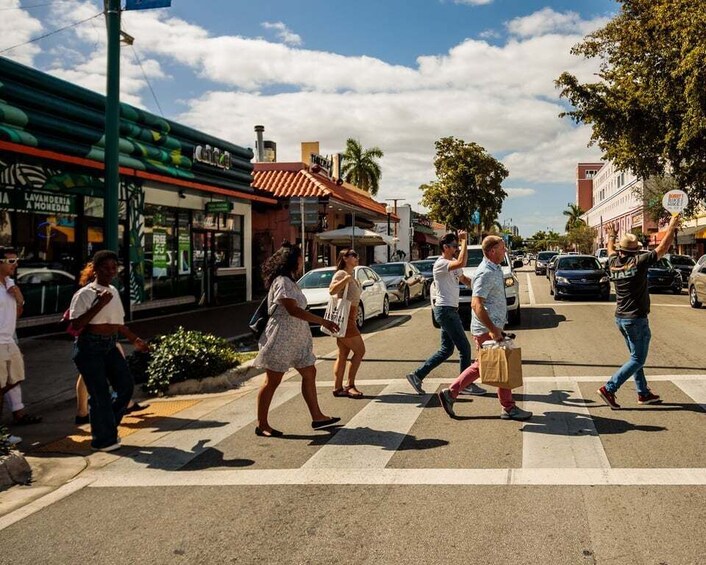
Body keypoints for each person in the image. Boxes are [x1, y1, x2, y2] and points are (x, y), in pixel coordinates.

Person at [438, 235, 532, 421]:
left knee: (482, 366)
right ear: (492, 251)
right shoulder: (486, 272)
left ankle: (451, 393)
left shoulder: (495, 268)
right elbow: (476, 304)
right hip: (486, 329)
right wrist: (493, 329)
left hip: (492, 327)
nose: (505, 251)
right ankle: (508, 408)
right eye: (502, 248)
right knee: (498, 365)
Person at [254, 242, 341, 437]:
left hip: (297, 340)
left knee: (309, 372)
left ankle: (317, 417)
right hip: (281, 338)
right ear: (292, 260)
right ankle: (262, 424)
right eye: (301, 258)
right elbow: (293, 310)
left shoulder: (291, 281)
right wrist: (322, 321)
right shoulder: (282, 281)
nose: (303, 261)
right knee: (272, 381)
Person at [68, 250, 149, 452]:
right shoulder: (85, 294)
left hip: (110, 345)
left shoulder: (113, 290)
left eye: (114, 267)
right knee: (99, 395)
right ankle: (103, 440)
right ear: (95, 270)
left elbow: (118, 323)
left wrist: (135, 339)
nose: (111, 271)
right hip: (89, 347)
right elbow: (76, 324)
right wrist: (99, 304)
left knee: (125, 386)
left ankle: (106, 425)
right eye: (106, 267)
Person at [597, 214, 680, 409]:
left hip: (621, 317)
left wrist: (611, 236)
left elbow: (609, 250)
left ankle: (643, 393)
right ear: (635, 251)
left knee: (635, 357)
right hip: (636, 319)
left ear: (621, 250)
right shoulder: (638, 262)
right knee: (637, 358)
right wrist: (671, 228)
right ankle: (609, 388)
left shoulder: (614, 262)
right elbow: (662, 249)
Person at [406, 231, 485, 396]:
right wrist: (464, 241)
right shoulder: (441, 263)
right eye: (454, 246)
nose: (457, 249)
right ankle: (465, 384)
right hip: (445, 310)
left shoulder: (452, 264)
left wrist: (482, 290)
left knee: (446, 350)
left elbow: (465, 280)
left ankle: (417, 375)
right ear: (445, 247)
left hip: (449, 310)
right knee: (464, 348)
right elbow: (463, 262)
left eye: (457, 246)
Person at [0, 247, 35, 445]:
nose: (16, 265)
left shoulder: (10, 283)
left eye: (16, 261)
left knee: (16, 378)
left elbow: (15, 316)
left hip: (9, 340)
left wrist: (20, 301)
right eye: (11, 261)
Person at [328, 249, 365, 398]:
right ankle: (350, 385)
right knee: (360, 351)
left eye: (357, 255)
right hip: (346, 318)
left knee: (343, 354)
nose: (357, 258)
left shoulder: (351, 275)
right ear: (344, 258)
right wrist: (346, 279)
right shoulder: (341, 274)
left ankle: (338, 387)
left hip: (350, 318)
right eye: (353, 255)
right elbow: (332, 291)